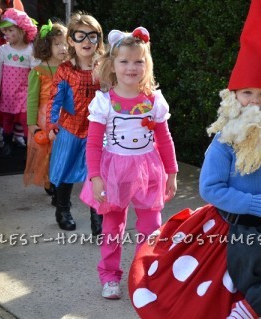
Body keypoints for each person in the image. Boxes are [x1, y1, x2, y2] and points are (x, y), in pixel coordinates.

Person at [128, 1, 261, 318]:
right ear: (234, 97)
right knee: (249, 269)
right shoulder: (225, 140)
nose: (255, 101)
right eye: (247, 93)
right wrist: (257, 204)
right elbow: (211, 188)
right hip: (228, 226)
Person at [79, 27, 178, 300]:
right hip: (114, 172)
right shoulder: (104, 102)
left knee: (151, 227)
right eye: (124, 61)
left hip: (149, 171)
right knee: (112, 228)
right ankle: (110, 276)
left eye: (138, 61)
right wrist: (96, 176)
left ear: (147, 65)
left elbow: (165, 138)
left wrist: (172, 172)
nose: (131, 67)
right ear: (112, 65)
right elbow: (94, 143)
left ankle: (143, 275)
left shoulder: (154, 100)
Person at [45, 12, 104, 235]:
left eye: (92, 36)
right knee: (65, 169)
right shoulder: (65, 70)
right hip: (69, 127)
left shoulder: (104, 67)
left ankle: (97, 215)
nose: (87, 42)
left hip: (97, 131)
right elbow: (55, 99)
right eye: (81, 36)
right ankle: (62, 210)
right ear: (71, 40)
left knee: (97, 173)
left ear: (99, 39)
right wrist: (51, 125)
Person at [24, 20, 68, 200]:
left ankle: (59, 184)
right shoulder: (37, 71)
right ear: (46, 46)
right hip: (45, 117)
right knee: (47, 153)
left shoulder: (70, 69)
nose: (63, 47)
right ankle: (49, 181)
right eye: (57, 44)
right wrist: (32, 124)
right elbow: (32, 99)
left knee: (63, 151)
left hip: (66, 116)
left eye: (66, 43)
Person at [0, 8, 38, 158]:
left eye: (10, 30)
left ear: (22, 30)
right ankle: (7, 144)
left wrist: (34, 93)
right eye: (5, 31)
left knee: (26, 119)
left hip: (24, 93)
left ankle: (29, 146)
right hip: (7, 93)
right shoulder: (3, 50)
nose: (6, 34)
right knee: (7, 119)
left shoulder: (30, 51)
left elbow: (35, 74)